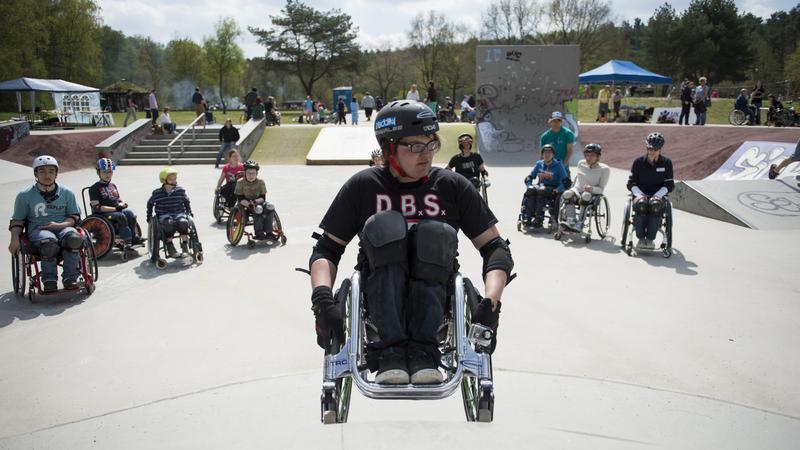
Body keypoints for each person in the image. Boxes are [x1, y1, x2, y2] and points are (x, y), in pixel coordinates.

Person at [309, 101, 512, 385]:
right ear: (389, 148)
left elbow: (495, 249)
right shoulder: (363, 186)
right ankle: (389, 350)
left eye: (431, 144)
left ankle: (423, 350)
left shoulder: (451, 186)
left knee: (435, 233)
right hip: (377, 295)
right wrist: (322, 298)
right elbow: (326, 250)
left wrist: (491, 301)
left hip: (437, 298)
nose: (426, 153)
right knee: (385, 225)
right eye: (415, 146)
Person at [9, 156, 83, 292]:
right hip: (38, 230)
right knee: (49, 243)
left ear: (56, 173)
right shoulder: (24, 195)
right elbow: (17, 220)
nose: (47, 175)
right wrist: (14, 240)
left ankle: (70, 278)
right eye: (42, 171)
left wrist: (59, 225)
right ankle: (49, 280)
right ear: (35, 174)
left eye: (51, 171)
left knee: (74, 239)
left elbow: (75, 217)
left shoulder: (67, 193)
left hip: (63, 227)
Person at [626, 132, 674, 251]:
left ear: (660, 149)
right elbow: (631, 183)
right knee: (642, 205)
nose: (652, 151)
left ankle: (651, 239)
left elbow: (669, 184)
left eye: (655, 149)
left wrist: (657, 196)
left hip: (658, 196)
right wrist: (639, 195)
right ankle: (641, 238)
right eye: (649, 148)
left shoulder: (667, 163)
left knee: (655, 206)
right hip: (640, 194)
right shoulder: (638, 162)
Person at [88, 157, 144, 249]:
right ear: (98, 172)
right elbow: (96, 207)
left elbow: (117, 199)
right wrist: (115, 209)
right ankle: (127, 240)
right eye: (104, 172)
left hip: (115, 210)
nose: (108, 174)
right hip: (103, 214)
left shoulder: (112, 185)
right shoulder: (94, 188)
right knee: (120, 216)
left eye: (110, 172)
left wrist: (122, 204)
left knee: (130, 213)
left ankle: (134, 237)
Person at [560, 143, 610, 230]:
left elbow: (601, 189)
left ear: (598, 157)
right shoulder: (581, 164)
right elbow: (578, 180)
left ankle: (580, 223)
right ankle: (571, 221)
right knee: (567, 194)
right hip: (577, 191)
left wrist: (592, 189)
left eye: (592, 155)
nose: (588, 158)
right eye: (587, 155)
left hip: (591, 194)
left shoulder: (604, 169)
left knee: (586, 196)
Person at [146, 167, 193, 258]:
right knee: (168, 224)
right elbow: (150, 203)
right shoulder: (157, 193)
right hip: (164, 213)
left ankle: (184, 244)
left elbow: (186, 201)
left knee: (183, 222)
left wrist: (189, 212)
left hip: (178, 212)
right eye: (171, 179)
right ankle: (170, 245)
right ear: (164, 181)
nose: (174, 181)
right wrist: (149, 215)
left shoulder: (180, 190)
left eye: (175, 179)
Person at [522, 144, 569, 228]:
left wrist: (558, 189)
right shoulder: (539, 164)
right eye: (545, 153)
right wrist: (529, 185)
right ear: (542, 154)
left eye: (549, 153)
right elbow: (530, 177)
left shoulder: (558, 165)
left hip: (552, 188)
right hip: (540, 186)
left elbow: (566, 182)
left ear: (553, 155)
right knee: (530, 191)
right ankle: (527, 217)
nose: (547, 155)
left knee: (541, 191)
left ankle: (539, 218)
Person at [234, 160, 275, 240]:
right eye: (249, 173)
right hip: (244, 203)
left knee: (270, 207)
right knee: (258, 210)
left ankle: (269, 231)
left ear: (257, 173)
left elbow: (263, 197)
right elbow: (240, 198)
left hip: (258, 201)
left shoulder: (261, 182)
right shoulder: (240, 182)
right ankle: (259, 233)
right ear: (245, 173)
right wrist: (250, 204)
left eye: (253, 173)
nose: (251, 175)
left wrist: (255, 202)